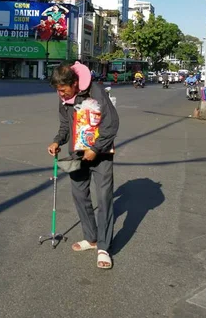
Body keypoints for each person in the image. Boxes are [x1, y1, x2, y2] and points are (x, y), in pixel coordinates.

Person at [48, 62, 119, 270]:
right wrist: (56, 141)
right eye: (58, 91)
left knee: (104, 197)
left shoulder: (95, 91)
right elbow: (64, 126)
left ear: (74, 83)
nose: (61, 94)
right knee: (80, 195)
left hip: (101, 154)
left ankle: (104, 248)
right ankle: (92, 238)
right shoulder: (64, 99)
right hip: (77, 154)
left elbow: (111, 123)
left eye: (63, 89)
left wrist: (96, 148)